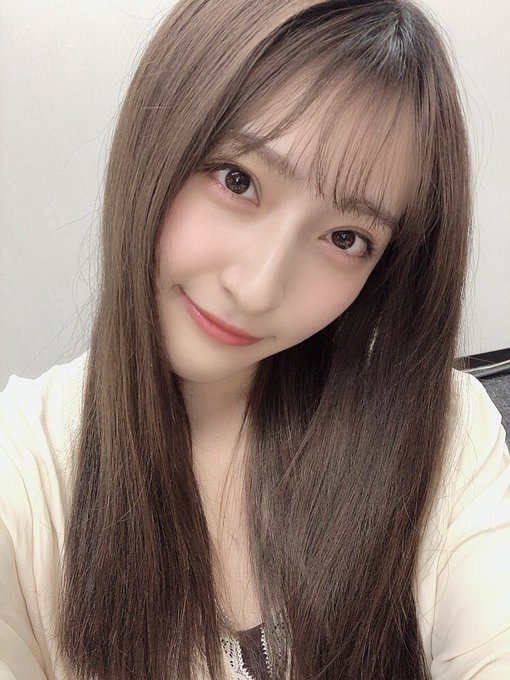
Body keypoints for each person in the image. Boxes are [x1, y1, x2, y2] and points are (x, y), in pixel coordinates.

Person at [1, 0, 509, 678]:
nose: (259, 288)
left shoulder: (445, 429)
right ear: (162, 134)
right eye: (238, 180)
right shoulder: (23, 470)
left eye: (345, 237)